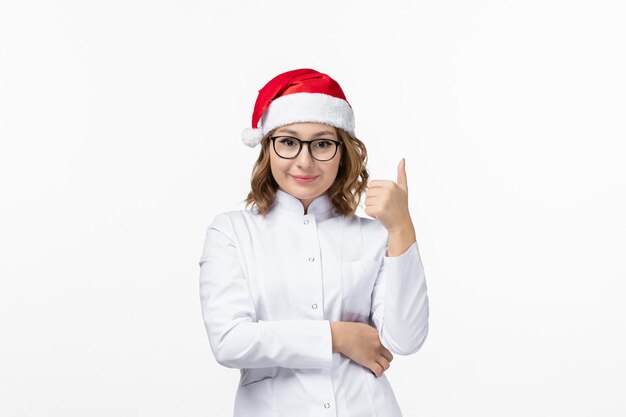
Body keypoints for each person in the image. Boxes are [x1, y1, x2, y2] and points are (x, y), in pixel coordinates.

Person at [198, 68, 429, 417]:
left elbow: (405, 339)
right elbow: (230, 341)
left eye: (322, 143)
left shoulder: (373, 235)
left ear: (342, 152)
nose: (304, 161)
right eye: (289, 142)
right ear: (268, 148)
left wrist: (401, 230)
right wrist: (336, 337)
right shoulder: (232, 232)